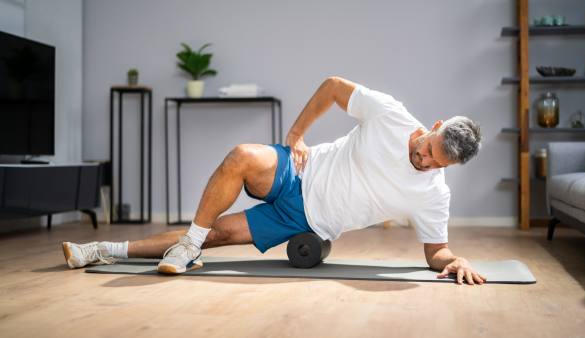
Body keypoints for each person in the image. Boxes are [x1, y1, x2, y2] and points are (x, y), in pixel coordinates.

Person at [62, 76, 486, 285]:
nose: (425, 160)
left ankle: (100, 250)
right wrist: (296, 135)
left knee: (217, 235)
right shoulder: (392, 115)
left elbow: (435, 250)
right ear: (432, 127)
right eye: (428, 148)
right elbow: (334, 87)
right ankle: (187, 244)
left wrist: (454, 261)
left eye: (437, 163)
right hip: (301, 168)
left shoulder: (433, 193)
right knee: (242, 156)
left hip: (306, 222)